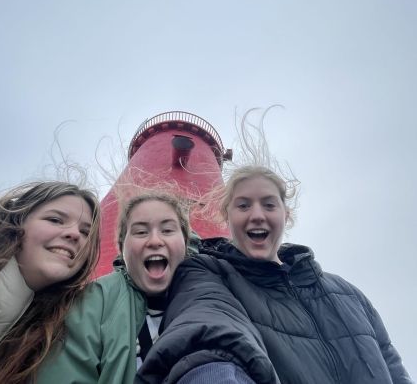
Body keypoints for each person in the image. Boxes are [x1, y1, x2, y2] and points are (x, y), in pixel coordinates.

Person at [136, 111, 413, 384]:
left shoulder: (349, 294)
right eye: (243, 205)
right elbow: (206, 328)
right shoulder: (209, 275)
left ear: (286, 214)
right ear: (226, 215)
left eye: (269, 204)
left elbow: (392, 366)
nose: (257, 214)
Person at [36, 192, 191, 384]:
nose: (155, 241)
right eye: (140, 232)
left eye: (167, 230)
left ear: (186, 241)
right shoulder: (93, 301)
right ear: (121, 248)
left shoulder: (214, 290)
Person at [0, 181, 101, 384]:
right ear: (18, 220)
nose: (75, 234)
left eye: (86, 232)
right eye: (55, 219)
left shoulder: (52, 334)